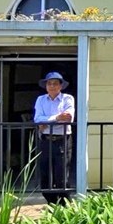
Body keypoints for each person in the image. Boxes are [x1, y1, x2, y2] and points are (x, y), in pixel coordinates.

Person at [33, 72, 75, 204]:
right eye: (49, 83)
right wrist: (57, 118)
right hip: (45, 140)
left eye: (55, 83)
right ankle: (52, 204)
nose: (52, 86)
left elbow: (68, 118)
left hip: (62, 140)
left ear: (60, 86)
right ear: (46, 86)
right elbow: (37, 119)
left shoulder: (67, 98)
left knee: (61, 177)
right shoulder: (40, 99)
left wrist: (46, 122)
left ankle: (65, 206)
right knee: (44, 177)